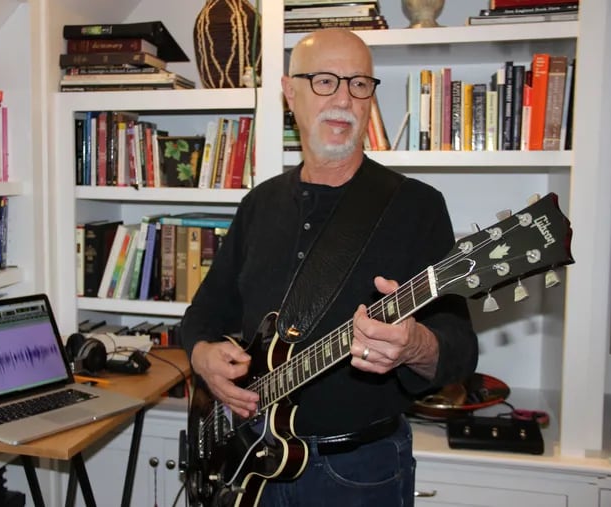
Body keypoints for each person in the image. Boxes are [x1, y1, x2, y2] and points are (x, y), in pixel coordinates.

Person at [181, 28, 478, 507]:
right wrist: (202, 358)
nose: (343, 98)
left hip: (360, 472)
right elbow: (204, 315)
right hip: (248, 460)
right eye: (324, 81)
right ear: (289, 93)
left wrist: (415, 345)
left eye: (359, 84)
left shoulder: (416, 207)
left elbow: (460, 348)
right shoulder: (259, 205)